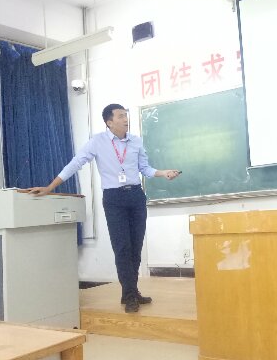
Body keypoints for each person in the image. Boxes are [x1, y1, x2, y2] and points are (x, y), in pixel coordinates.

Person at [28, 103, 181, 313]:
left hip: (136, 196)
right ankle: (130, 295)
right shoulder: (97, 142)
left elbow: (144, 168)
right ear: (109, 122)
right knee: (122, 247)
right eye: (121, 116)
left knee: (135, 248)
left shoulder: (135, 141)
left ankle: (131, 291)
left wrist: (163, 173)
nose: (126, 119)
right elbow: (75, 163)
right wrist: (49, 187)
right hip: (114, 198)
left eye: (126, 115)